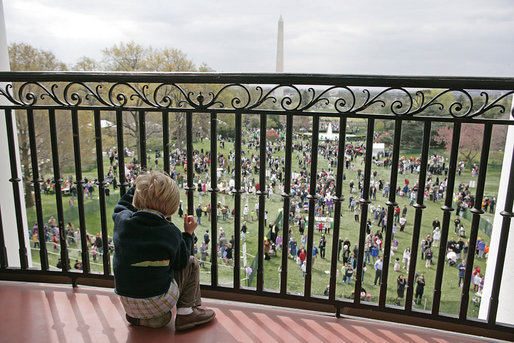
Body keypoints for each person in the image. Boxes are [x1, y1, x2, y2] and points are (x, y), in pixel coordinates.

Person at [112, 171, 215, 330]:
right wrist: (187, 234)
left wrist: (139, 186)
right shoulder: (171, 232)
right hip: (158, 300)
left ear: (138, 197)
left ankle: (141, 317)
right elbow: (182, 261)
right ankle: (186, 313)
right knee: (192, 263)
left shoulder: (123, 221)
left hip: (127, 302)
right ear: (172, 206)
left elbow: (122, 205)